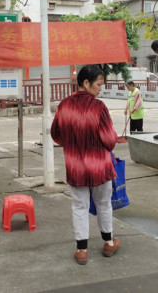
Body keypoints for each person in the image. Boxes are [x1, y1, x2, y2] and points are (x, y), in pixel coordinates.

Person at [51, 65, 120, 265]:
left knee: (79, 206)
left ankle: (81, 250)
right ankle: (108, 242)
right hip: (99, 166)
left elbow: (56, 134)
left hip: (75, 166)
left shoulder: (64, 105)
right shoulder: (99, 107)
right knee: (103, 203)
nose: (100, 88)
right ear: (86, 82)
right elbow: (110, 140)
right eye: (98, 84)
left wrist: (73, 144)